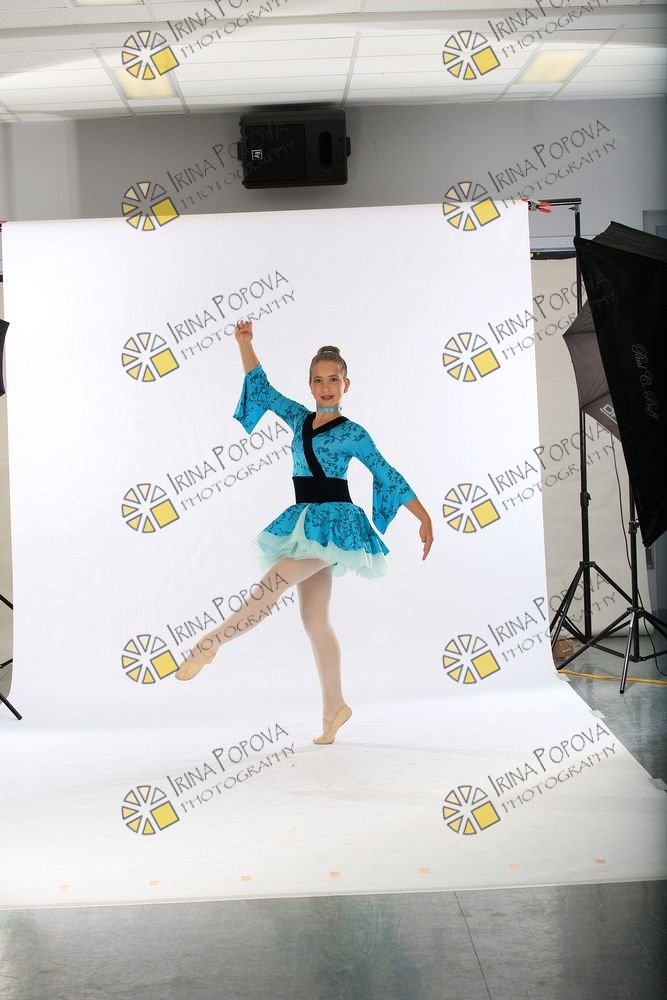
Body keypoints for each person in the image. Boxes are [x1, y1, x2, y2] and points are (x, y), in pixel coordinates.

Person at [175, 320, 433, 744]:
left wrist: (422, 516)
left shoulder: (353, 433)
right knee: (314, 620)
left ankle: (210, 643)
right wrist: (245, 344)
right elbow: (263, 389)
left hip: (335, 524)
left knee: (270, 585)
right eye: (318, 380)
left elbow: (386, 472)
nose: (326, 387)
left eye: (333, 380)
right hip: (304, 519)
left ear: (346, 384)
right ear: (310, 385)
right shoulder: (298, 418)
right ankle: (335, 708)